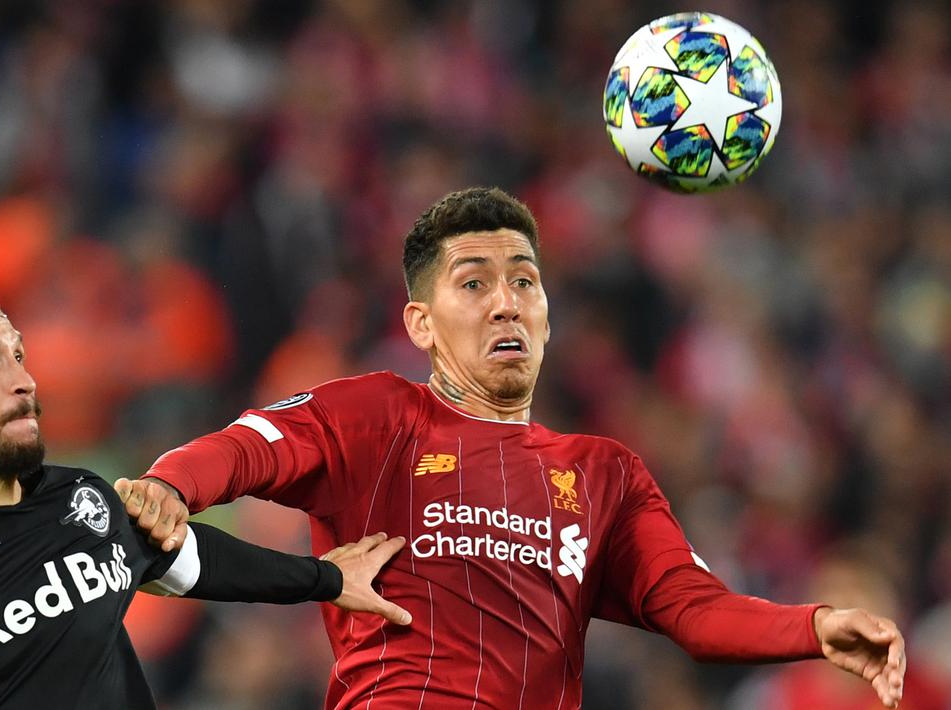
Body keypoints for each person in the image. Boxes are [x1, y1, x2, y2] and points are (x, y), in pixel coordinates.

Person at [122, 187, 908, 709]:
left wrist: (812, 627)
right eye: (473, 283)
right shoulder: (374, 417)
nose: (506, 303)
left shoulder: (604, 474)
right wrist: (171, 486)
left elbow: (695, 611)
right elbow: (247, 448)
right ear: (421, 324)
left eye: (524, 281)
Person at [0, 266, 410, 710]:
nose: (22, 379)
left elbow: (184, 558)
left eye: (17, 354)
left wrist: (325, 579)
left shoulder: (77, 502)